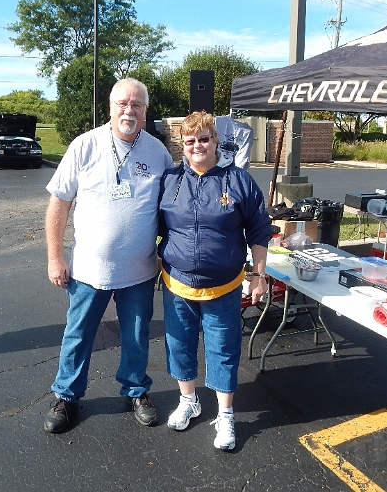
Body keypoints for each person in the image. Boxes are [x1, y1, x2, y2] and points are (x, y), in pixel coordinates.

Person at [43, 78, 173, 434]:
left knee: (136, 334)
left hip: (141, 270)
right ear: (111, 107)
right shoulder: (85, 146)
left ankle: (135, 390)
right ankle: (66, 396)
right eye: (123, 104)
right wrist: (55, 257)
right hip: (88, 270)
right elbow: (59, 203)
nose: (129, 111)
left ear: (146, 111)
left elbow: (171, 208)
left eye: (137, 105)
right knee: (79, 334)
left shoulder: (158, 152)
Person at [158, 111, 271, 451]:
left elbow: (260, 229)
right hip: (177, 283)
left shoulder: (238, 180)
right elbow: (156, 227)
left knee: (222, 350)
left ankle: (225, 415)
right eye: (190, 141)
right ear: (183, 144)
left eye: (204, 139)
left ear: (216, 141)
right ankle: (189, 400)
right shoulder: (169, 180)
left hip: (223, 287)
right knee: (179, 344)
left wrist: (258, 275)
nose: (197, 146)